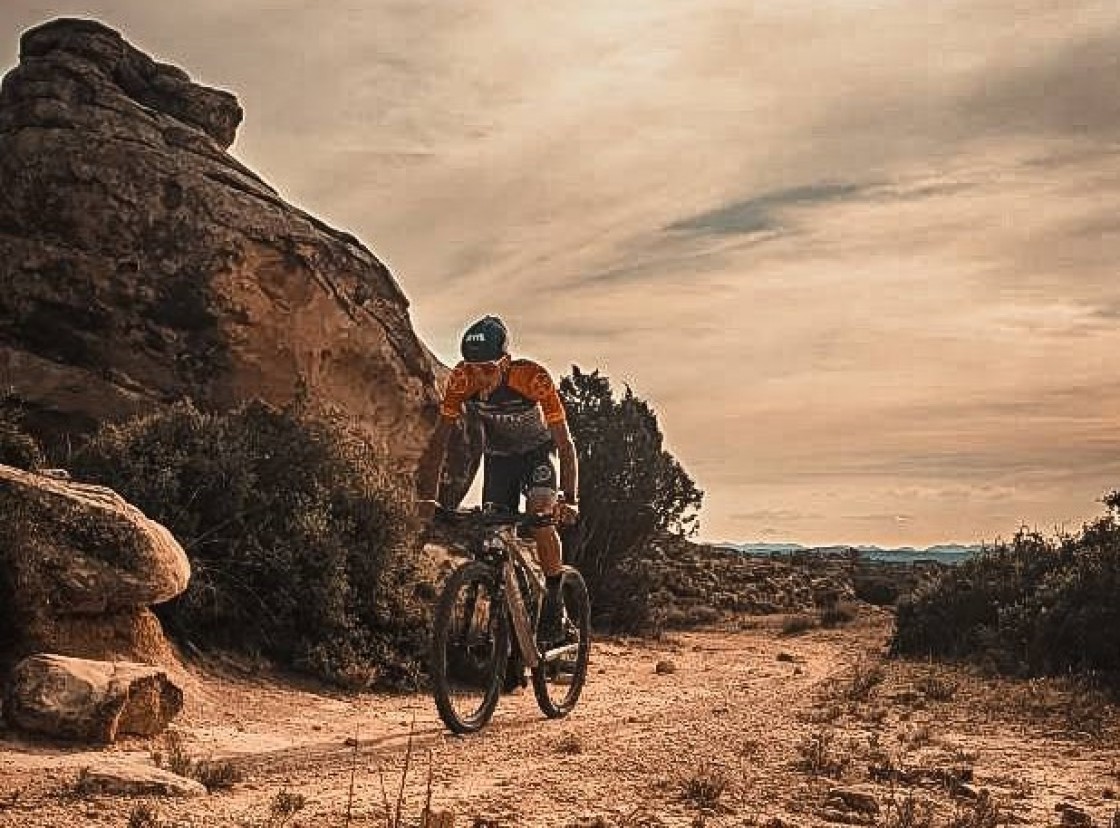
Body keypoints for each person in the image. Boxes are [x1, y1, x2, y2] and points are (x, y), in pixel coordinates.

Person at [416, 315, 579, 645]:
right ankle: (507, 625)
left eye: (488, 369)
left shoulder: (532, 378)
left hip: (537, 453)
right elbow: (439, 442)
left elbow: (565, 443)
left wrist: (570, 497)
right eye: (472, 368)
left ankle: (554, 596)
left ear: (505, 362)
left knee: (540, 518)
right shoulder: (462, 380)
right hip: (500, 459)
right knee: (492, 538)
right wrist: (428, 499)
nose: (480, 377)